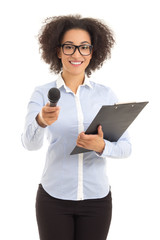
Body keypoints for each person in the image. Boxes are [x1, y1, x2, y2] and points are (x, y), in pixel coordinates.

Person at [21, 15, 131, 240]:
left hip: (97, 200)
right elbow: (29, 144)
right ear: (58, 51)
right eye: (69, 47)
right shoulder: (43, 93)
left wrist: (102, 146)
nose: (77, 54)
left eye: (84, 47)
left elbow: (126, 147)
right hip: (53, 200)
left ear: (93, 52)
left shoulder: (106, 94)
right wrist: (41, 120)